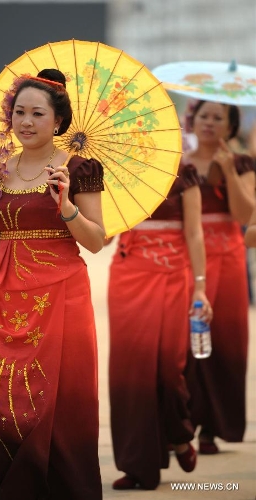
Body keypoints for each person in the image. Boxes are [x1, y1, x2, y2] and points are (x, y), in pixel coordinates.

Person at [0, 69, 106, 500]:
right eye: (19, 112)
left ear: (58, 121)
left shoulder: (79, 169)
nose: (26, 121)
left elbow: (97, 241)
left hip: (63, 300)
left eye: (37, 113)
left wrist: (67, 208)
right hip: (6, 303)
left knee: (59, 404)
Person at [108, 161, 212, 490]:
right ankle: (137, 465)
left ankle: (179, 435)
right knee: (130, 371)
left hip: (174, 276)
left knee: (170, 367)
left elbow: (194, 232)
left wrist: (199, 287)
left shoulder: (185, 173)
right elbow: (104, 232)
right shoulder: (114, 168)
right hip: (129, 276)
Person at [183, 100, 255, 454]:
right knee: (183, 344)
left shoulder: (242, 163)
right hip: (186, 261)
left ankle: (213, 426)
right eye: (203, 116)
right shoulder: (178, 165)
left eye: (218, 117)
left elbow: (246, 215)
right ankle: (181, 423)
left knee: (225, 341)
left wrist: (228, 172)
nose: (209, 123)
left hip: (227, 260)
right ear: (192, 121)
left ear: (230, 126)